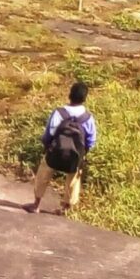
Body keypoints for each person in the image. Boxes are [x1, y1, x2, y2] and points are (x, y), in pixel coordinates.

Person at [34, 81, 97, 214]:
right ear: (84, 99)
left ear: (69, 95)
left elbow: (49, 134)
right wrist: (83, 153)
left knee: (43, 174)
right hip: (75, 156)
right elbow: (91, 140)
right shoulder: (88, 118)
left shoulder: (59, 113)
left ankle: (36, 204)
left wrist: (46, 147)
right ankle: (65, 208)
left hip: (55, 152)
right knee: (73, 180)